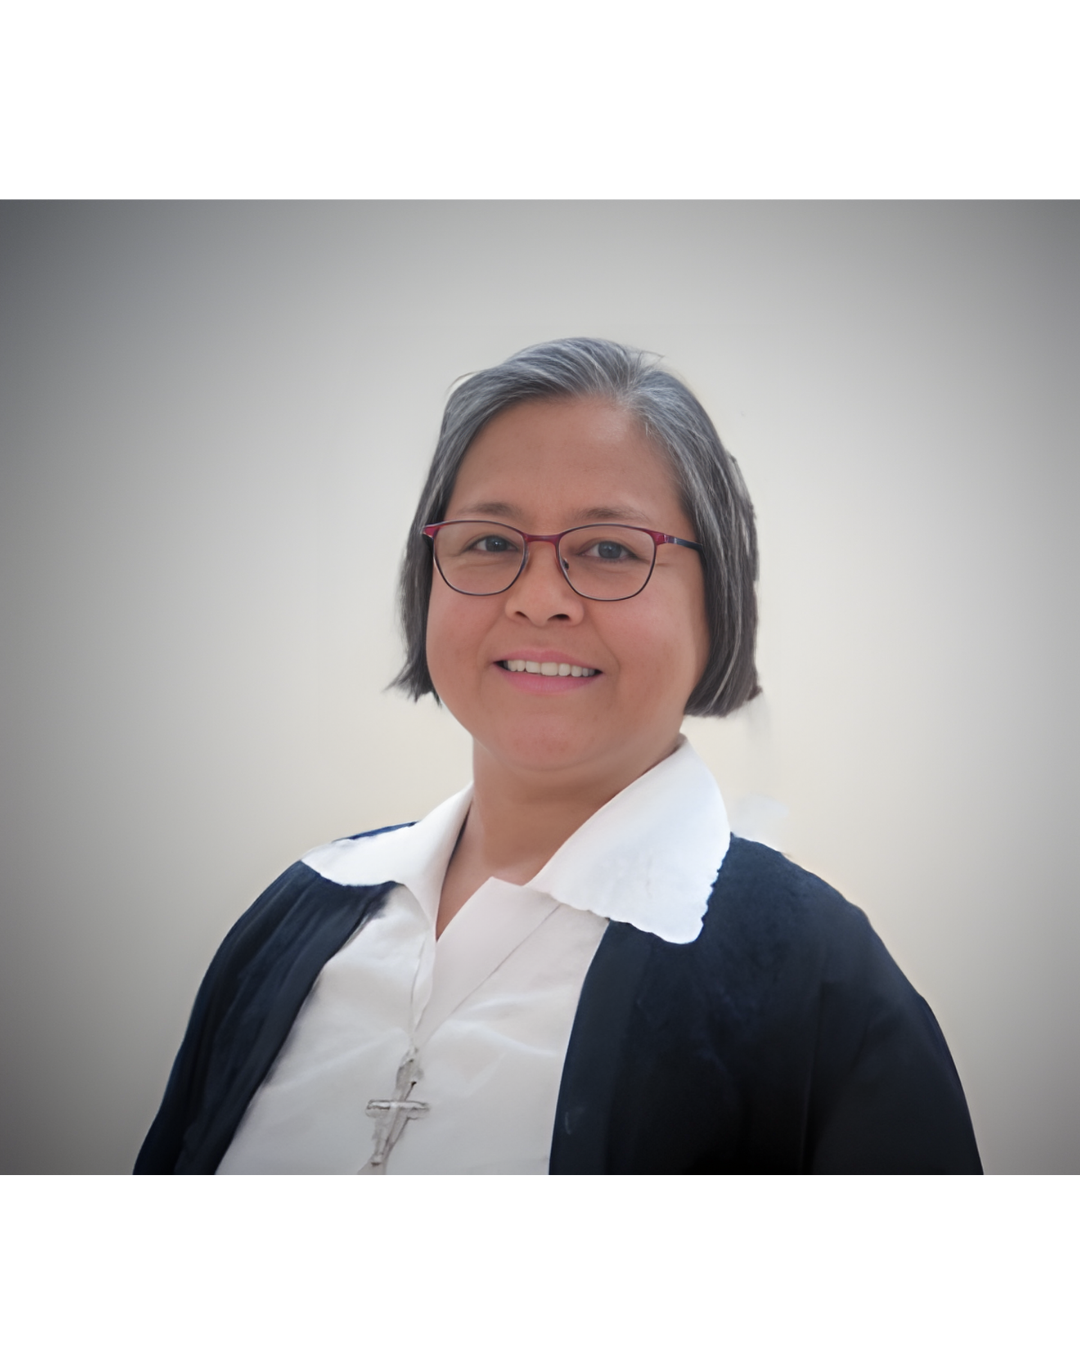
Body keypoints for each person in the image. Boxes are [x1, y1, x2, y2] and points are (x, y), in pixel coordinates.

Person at [135, 338, 982, 1175]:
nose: (540, 600)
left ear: (716, 598)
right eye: (490, 543)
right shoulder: (296, 916)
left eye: (611, 550)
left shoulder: (819, 982)